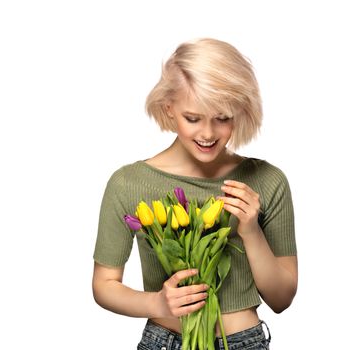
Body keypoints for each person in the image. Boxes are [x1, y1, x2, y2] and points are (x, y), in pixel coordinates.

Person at [92, 38, 298, 350]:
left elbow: (281, 299)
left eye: (223, 118)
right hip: (166, 342)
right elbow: (104, 285)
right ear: (169, 108)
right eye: (193, 118)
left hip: (244, 342)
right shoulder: (128, 183)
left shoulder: (268, 180)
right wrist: (157, 304)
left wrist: (251, 230)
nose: (207, 133)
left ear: (241, 111)